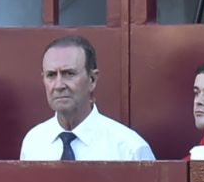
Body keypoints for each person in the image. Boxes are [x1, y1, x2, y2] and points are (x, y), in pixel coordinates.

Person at [18, 33, 154, 161]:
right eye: (51, 75)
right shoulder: (33, 142)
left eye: (69, 74)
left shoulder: (129, 149)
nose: (59, 85)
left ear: (92, 79)